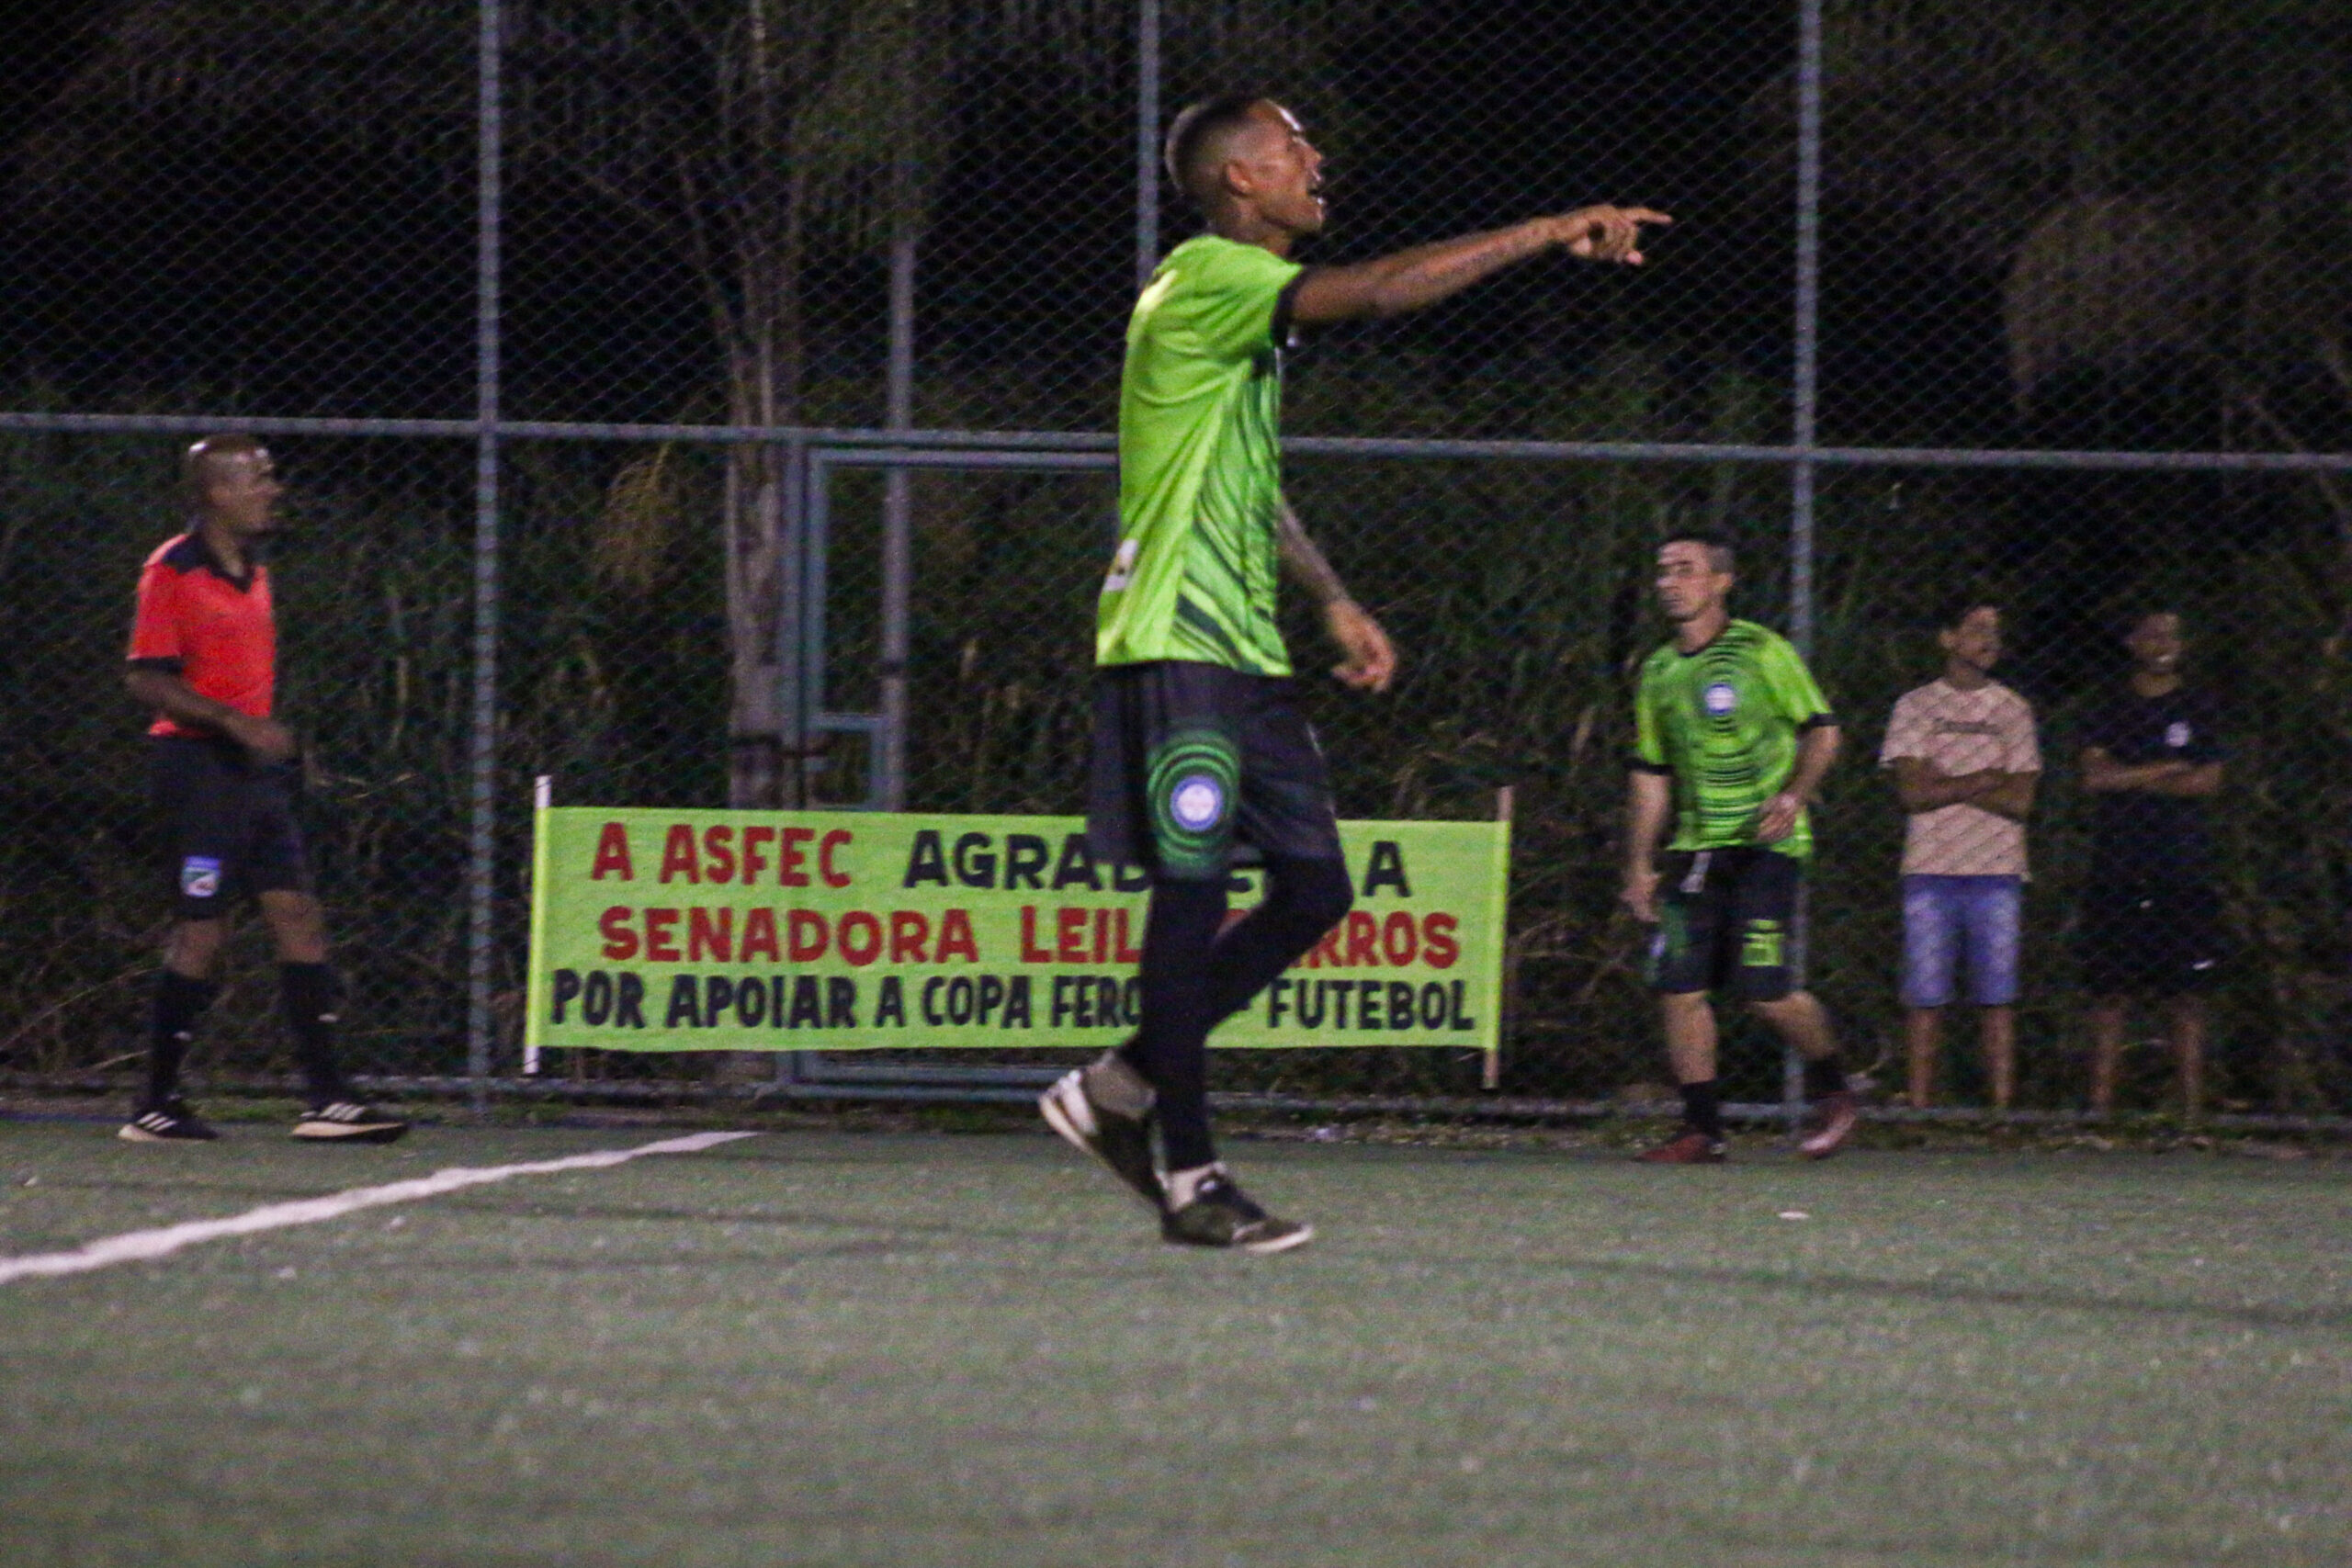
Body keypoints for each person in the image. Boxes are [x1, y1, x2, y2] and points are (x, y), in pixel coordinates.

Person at [1041, 93, 1669, 1249]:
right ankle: (1189, 1177)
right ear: (1239, 180)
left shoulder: (1239, 314)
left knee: (1316, 889)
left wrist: (1329, 595)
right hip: (1175, 641)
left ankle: (1118, 1087)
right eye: (1291, 148)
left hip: (1241, 648)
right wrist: (1547, 230)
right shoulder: (1206, 276)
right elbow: (1382, 290)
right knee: (1191, 901)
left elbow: (1246, 478)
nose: (1315, 159)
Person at [120, 434, 407, 1144]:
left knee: (297, 914)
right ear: (217, 492)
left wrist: (260, 740)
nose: (273, 490)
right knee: (203, 930)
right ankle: (154, 1104)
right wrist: (233, 722)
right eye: (259, 478)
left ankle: (327, 1098)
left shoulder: (254, 568)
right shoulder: (172, 568)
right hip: (197, 768)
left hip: (252, 774)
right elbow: (145, 677)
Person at [1621, 533, 1856, 1163]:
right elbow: (1650, 774)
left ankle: (1835, 1088)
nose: (1670, 582)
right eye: (1663, 571)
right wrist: (1639, 863)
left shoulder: (1761, 650)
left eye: (1686, 570)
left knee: (1763, 988)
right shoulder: (1659, 671)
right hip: (1695, 853)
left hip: (1766, 848)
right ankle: (1702, 1129)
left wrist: (1795, 794)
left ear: (1721, 581)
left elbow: (1824, 732)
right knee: (1677, 984)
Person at [1880, 598, 2040, 1110]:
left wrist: (1946, 782)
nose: (1989, 640)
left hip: (1997, 870)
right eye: (1976, 629)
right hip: (1930, 868)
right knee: (1925, 997)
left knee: (1998, 997)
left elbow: (2021, 801)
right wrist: (1985, 779)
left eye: (1995, 630)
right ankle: (1919, 1108)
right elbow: (1912, 793)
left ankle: (2000, 1111)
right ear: (1948, 638)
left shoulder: (2012, 709)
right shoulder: (1915, 707)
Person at [2077, 609, 2225, 1120]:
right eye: (2154, 634)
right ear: (2132, 641)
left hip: (2181, 867)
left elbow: (2207, 781)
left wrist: (2129, 775)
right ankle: (2100, 1113)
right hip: (2118, 864)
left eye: (2174, 635)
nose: (2165, 643)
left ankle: (2191, 1115)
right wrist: (2164, 769)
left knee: (2186, 995)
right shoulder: (2111, 704)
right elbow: (2095, 778)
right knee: (2110, 993)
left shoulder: (2198, 704)